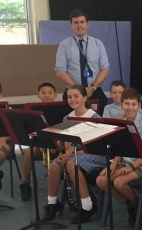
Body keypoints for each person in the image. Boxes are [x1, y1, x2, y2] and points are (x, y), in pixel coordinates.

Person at [40, 84, 104, 223]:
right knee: (54, 166)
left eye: (76, 96)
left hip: (94, 154)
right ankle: (52, 204)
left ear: (85, 97)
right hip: (74, 154)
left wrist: (71, 154)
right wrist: (64, 151)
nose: (73, 100)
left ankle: (87, 206)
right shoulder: (67, 118)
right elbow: (67, 144)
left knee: (70, 163)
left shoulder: (94, 117)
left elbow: (95, 146)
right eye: (70, 97)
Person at [95, 88, 142, 226]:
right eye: (127, 104)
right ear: (122, 105)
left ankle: (139, 205)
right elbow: (120, 148)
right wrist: (112, 164)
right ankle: (130, 204)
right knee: (101, 181)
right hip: (124, 162)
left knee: (119, 182)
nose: (130, 107)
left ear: (139, 106)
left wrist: (131, 167)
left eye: (133, 104)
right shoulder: (122, 124)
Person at [55, 9, 110, 112]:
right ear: (71, 25)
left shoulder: (98, 44)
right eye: (76, 22)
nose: (79, 25)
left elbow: (105, 69)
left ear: (87, 24)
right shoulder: (64, 45)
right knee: (72, 125)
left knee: (97, 125)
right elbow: (60, 70)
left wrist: (92, 88)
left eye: (82, 22)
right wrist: (76, 89)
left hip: (94, 91)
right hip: (72, 93)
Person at [18, 82, 59, 201]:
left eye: (50, 93)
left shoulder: (60, 110)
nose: (47, 95)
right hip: (40, 142)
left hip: (57, 143)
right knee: (29, 151)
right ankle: (24, 183)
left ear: (55, 95)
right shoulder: (33, 110)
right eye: (43, 93)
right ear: (38, 95)